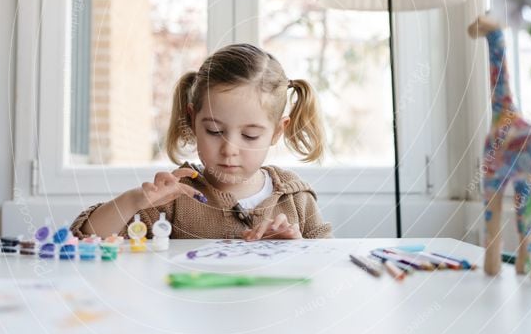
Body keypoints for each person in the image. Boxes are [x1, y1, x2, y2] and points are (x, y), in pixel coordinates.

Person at [69, 43, 333, 241]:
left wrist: (298, 250)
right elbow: (86, 239)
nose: (230, 150)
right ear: (193, 120)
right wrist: (135, 201)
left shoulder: (295, 198)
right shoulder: (174, 198)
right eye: (215, 131)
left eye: (250, 136)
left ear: (277, 132)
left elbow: (327, 269)